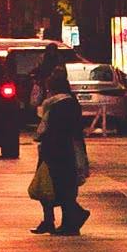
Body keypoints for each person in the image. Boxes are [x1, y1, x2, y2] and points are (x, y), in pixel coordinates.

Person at [28, 66, 90, 234]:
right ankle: (69, 219)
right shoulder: (72, 102)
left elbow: (44, 129)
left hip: (54, 151)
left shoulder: (53, 105)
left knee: (49, 186)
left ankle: (67, 219)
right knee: (62, 186)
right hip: (70, 149)